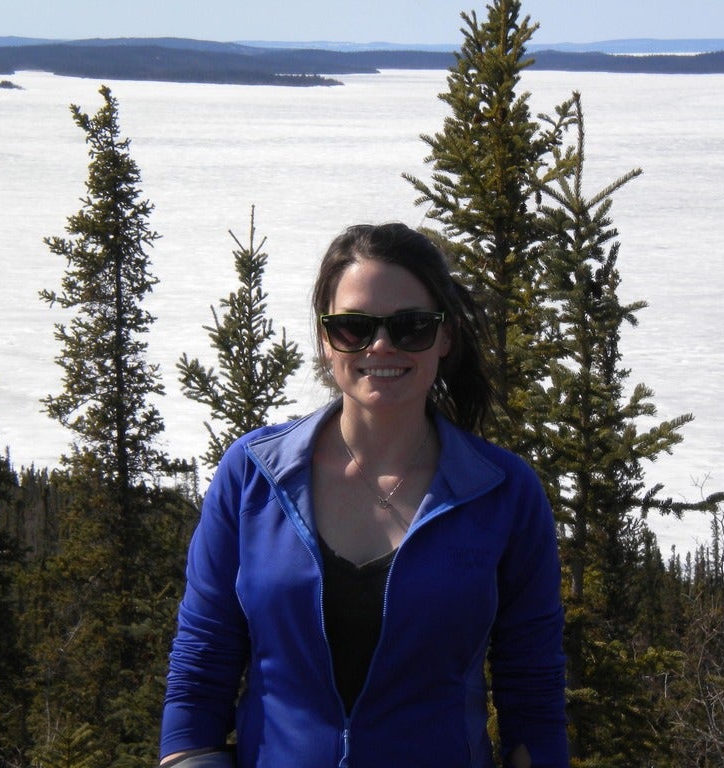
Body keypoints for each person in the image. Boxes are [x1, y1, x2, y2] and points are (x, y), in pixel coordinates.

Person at [159, 223, 569, 767]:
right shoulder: (254, 475)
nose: (381, 346)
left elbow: (532, 691)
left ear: (445, 337)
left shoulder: (501, 492)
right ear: (327, 339)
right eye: (354, 327)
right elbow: (201, 665)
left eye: (411, 327)